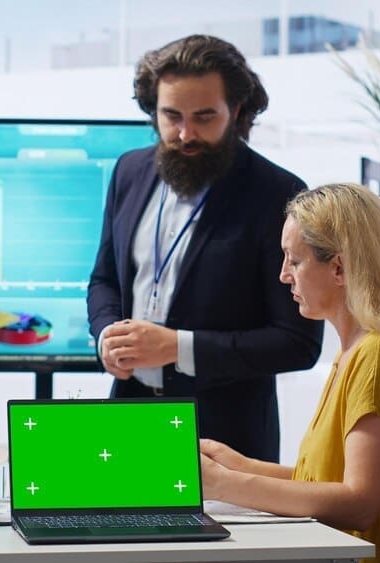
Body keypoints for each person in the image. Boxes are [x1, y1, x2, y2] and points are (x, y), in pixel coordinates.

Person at [200, 183, 380, 561]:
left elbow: (358, 503)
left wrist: (225, 485)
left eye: (294, 260)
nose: (283, 275)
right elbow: (328, 483)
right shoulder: (362, 349)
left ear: (340, 268)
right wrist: (242, 467)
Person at [87, 34, 323, 462]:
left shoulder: (279, 193)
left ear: (235, 111)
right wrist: (107, 334)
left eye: (204, 117)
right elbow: (104, 279)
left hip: (227, 440)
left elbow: (298, 342)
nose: (185, 133)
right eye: (170, 115)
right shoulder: (128, 171)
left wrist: (178, 346)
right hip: (126, 418)